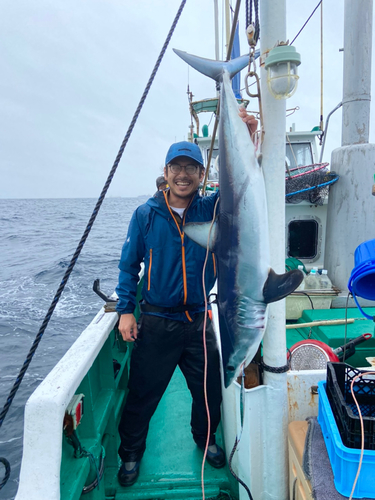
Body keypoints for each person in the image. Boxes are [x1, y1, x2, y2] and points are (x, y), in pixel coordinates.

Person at [116, 141, 223, 487]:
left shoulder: (211, 208)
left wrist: (251, 139)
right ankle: (131, 453)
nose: (182, 174)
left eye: (190, 168)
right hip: (158, 320)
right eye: (176, 168)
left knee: (209, 391)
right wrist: (124, 312)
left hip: (197, 320)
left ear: (201, 174)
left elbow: (245, 186)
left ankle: (205, 439)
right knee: (142, 393)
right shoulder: (146, 214)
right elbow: (129, 265)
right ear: (165, 173)